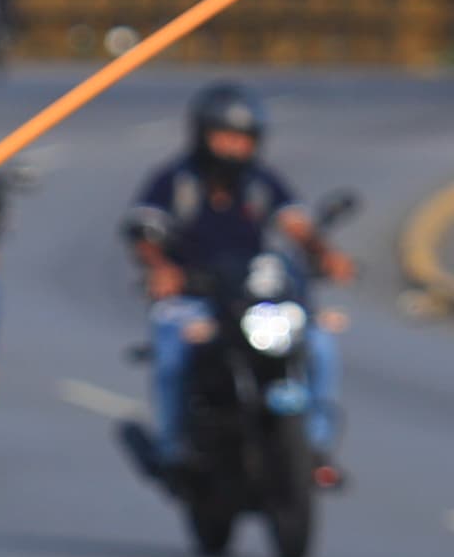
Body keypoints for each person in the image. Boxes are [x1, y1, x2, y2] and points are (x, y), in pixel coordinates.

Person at [118, 81, 349, 492]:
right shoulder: (175, 181)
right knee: (173, 353)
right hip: (195, 300)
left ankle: (315, 447)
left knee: (319, 344)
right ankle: (173, 450)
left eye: (242, 138)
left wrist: (324, 254)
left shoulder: (260, 183)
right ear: (202, 135)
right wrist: (162, 269)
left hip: (254, 300)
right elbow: (145, 233)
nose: (232, 147)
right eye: (224, 136)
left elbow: (295, 224)